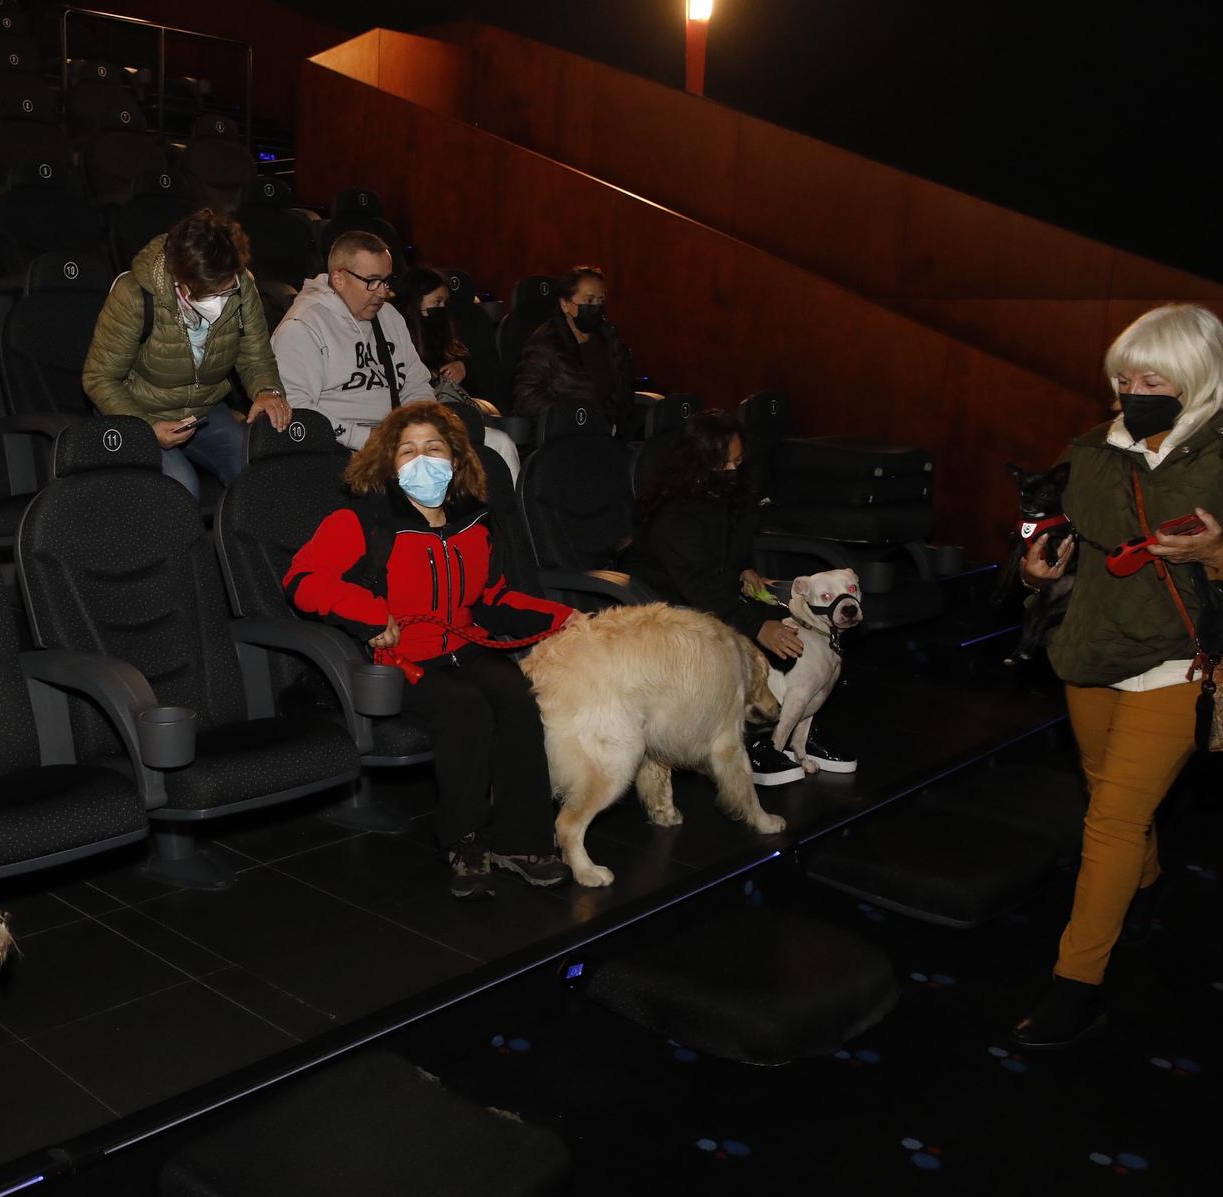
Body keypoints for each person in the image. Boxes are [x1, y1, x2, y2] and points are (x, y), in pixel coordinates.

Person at [1015, 303, 1223, 1049]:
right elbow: (1064, 536)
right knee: (1106, 792)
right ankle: (1145, 890)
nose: (1132, 389)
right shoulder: (1096, 446)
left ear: (1196, 375)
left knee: (1114, 820)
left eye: (1150, 375)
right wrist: (1034, 571)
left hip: (1184, 659)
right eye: (1122, 377)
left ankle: (1076, 986)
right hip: (1092, 652)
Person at [285, 401, 574, 897]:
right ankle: (465, 840)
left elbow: (493, 598)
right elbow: (302, 580)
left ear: (455, 458)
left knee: (517, 697)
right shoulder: (362, 520)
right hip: (402, 661)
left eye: (433, 449)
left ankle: (522, 840)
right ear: (388, 463)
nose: (422, 460)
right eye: (408, 451)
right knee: (465, 709)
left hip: (467, 647)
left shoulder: (475, 522)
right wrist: (370, 613)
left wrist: (566, 619)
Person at [627, 410, 854, 785]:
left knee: (806, 630)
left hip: (716, 590)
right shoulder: (673, 514)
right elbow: (697, 585)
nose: (733, 469)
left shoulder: (727, 493)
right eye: (724, 463)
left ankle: (797, 730)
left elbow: (730, 550)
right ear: (699, 463)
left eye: (738, 460)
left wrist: (745, 570)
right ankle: (754, 742)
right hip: (672, 608)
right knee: (765, 637)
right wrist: (756, 624)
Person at [82, 209, 291, 498]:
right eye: (208, 293)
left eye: (226, 288)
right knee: (180, 488)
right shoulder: (134, 295)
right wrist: (149, 427)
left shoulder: (242, 286)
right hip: (139, 410)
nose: (219, 300)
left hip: (203, 411)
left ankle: (247, 543)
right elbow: (99, 377)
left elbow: (255, 355)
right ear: (180, 277)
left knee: (256, 472)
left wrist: (267, 391)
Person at [272, 231, 435, 450]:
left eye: (386, 281)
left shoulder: (389, 316)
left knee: (494, 445)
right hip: (336, 448)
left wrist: (421, 431)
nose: (383, 293)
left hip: (395, 440)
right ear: (339, 279)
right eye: (372, 281)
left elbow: (416, 384)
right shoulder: (301, 327)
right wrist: (369, 440)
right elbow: (299, 409)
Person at [392, 266, 521, 479]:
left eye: (444, 303)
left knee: (503, 443)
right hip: (416, 419)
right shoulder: (396, 334)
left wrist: (463, 367)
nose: (441, 309)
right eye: (436, 303)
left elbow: (477, 373)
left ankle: (511, 509)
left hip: (454, 416)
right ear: (415, 302)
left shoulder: (444, 330)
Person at [512, 264, 636, 432]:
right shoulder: (546, 343)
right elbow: (526, 397)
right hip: (566, 433)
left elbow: (624, 391)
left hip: (609, 434)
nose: (596, 307)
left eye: (601, 300)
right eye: (589, 300)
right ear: (565, 304)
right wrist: (574, 414)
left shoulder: (610, 339)